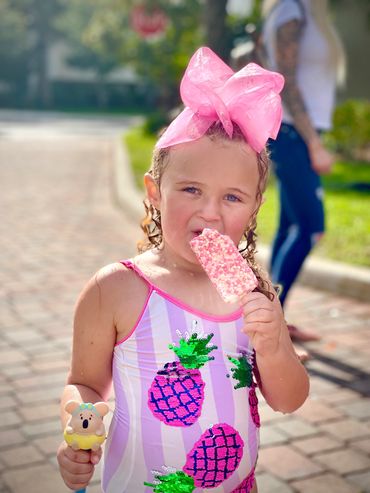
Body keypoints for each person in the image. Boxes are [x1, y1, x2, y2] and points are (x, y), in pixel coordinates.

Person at [56, 47, 309, 493]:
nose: (211, 213)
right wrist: (80, 430)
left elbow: (289, 399)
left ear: (255, 208)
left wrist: (274, 347)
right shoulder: (116, 288)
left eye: (232, 197)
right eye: (191, 189)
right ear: (156, 191)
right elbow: (84, 384)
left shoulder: (254, 293)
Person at [262, 0, 346, 343]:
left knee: (289, 226)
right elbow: (287, 82)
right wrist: (314, 142)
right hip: (293, 133)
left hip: (297, 132)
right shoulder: (291, 10)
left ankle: (270, 318)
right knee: (312, 228)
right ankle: (270, 323)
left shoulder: (309, 11)